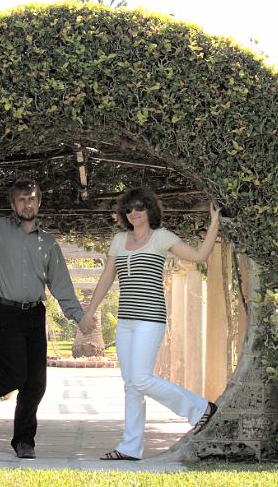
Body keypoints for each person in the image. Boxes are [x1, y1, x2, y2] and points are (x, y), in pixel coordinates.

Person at [0, 177, 96, 459]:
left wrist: (79, 316)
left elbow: (61, 285)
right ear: (13, 204)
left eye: (32, 199)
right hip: (5, 312)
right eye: (21, 200)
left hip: (34, 315)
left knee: (36, 382)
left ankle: (24, 441)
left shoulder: (48, 244)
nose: (27, 204)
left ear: (38, 203)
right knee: (13, 375)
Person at [87, 186, 221, 460]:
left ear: (149, 209)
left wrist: (215, 223)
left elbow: (198, 256)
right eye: (128, 209)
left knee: (141, 378)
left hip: (150, 318)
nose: (133, 213)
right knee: (130, 384)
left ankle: (199, 409)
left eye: (138, 207)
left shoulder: (161, 238)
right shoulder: (119, 240)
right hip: (125, 320)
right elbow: (106, 278)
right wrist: (90, 310)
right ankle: (130, 447)